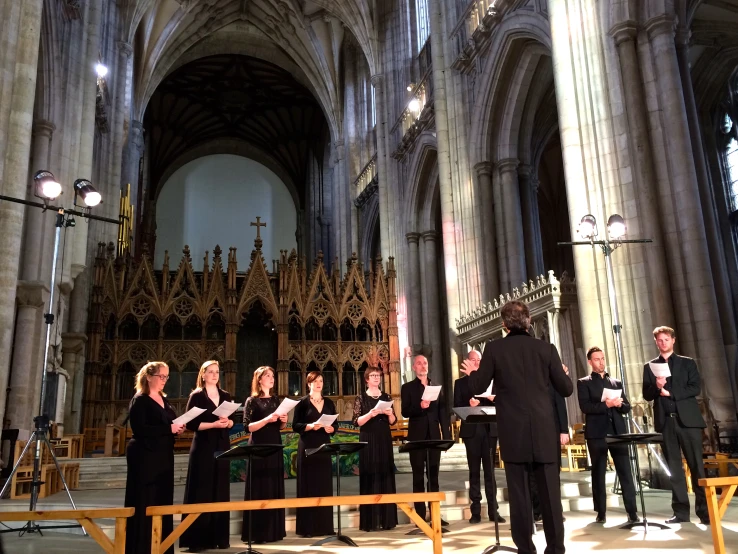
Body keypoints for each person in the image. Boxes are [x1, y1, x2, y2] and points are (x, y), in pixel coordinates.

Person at [467, 301, 572, 554]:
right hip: (545, 432)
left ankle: (526, 549)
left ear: (504, 325)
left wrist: (473, 371)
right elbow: (566, 388)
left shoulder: (494, 349)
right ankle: (556, 549)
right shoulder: (546, 349)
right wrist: (560, 372)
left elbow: (477, 387)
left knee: (519, 497)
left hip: (514, 433)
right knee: (551, 497)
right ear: (530, 321)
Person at [642, 326, 709, 525]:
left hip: (688, 421)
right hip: (666, 422)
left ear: (673, 340)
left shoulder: (687, 363)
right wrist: (657, 386)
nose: (663, 343)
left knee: (697, 467)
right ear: (656, 342)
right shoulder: (650, 367)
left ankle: (705, 512)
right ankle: (681, 513)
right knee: (674, 469)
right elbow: (647, 394)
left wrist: (671, 393)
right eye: (659, 340)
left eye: (666, 339)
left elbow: (695, 387)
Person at [124, 361, 185, 554]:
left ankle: (160, 546)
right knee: (145, 500)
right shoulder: (140, 400)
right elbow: (139, 429)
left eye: (167, 377)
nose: (164, 380)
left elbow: (168, 422)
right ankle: (141, 547)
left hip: (163, 456)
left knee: (162, 500)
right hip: (145, 456)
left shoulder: (163, 399)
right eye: (161, 376)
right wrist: (169, 428)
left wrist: (177, 428)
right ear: (148, 377)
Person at [577, 347, 639, 524]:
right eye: (597, 359)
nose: (601, 362)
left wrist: (619, 405)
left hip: (618, 433)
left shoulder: (616, 382)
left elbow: (627, 407)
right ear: (590, 362)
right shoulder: (584, 382)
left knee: (625, 472)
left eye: (602, 358)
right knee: (599, 474)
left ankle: (632, 512)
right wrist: (607, 404)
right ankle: (601, 512)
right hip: (597, 434)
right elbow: (586, 408)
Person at [180, 360, 234, 551]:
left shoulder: (225, 395)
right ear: (203, 374)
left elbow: (231, 422)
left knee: (220, 489)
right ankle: (198, 539)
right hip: (203, 446)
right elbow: (190, 424)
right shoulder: (197, 396)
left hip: (221, 444)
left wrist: (227, 423)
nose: (214, 374)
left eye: (217, 371)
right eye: (210, 372)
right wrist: (213, 425)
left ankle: (219, 538)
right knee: (201, 489)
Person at [454, 350, 505, 524]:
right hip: (472, 431)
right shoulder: (460, 383)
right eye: (473, 360)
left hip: (490, 430)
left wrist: (492, 398)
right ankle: (475, 511)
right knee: (474, 472)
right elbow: (456, 407)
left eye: (478, 360)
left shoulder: (490, 380)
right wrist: (468, 404)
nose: (476, 362)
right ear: (467, 362)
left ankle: (493, 511)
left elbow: (502, 402)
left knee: (490, 472)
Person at [401, 354, 451, 522]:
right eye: (419, 364)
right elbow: (405, 411)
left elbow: (442, 413)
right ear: (414, 367)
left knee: (434, 477)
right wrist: (420, 406)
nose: (423, 366)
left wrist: (447, 436)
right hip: (416, 438)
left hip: (434, 438)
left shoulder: (436, 386)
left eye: (425, 363)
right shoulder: (408, 388)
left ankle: (435, 515)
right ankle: (420, 517)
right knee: (418, 478)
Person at [242, 366, 288, 543]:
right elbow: (248, 427)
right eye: (267, 376)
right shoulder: (252, 401)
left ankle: (273, 531)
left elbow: (281, 427)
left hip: (274, 444)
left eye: (273, 376)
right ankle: (257, 532)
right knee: (259, 486)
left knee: (273, 484)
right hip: (258, 446)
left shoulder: (276, 400)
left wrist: (283, 421)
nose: (271, 378)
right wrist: (267, 419)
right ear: (259, 380)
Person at [352, 365, 398, 531]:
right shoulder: (361, 398)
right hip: (368, 438)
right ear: (366, 379)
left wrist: (389, 414)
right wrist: (370, 414)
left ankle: (387, 520)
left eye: (378, 375)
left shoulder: (386, 397)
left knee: (385, 474)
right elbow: (356, 421)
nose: (376, 378)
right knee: (370, 475)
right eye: (372, 375)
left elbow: (393, 421)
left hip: (383, 438)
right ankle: (370, 521)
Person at [293, 371, 337, 537]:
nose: (318, 383)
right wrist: (311, 426)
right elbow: (295, 425)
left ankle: (325, 526)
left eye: (321, 380)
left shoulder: (329, 403)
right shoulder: (302, 403)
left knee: (324, 484)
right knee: (309, 484)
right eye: (315, 381)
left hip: (324, 445)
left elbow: (335, 425)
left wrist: (332, 429)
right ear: (308, 383)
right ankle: (308, 528)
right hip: (308, 446)